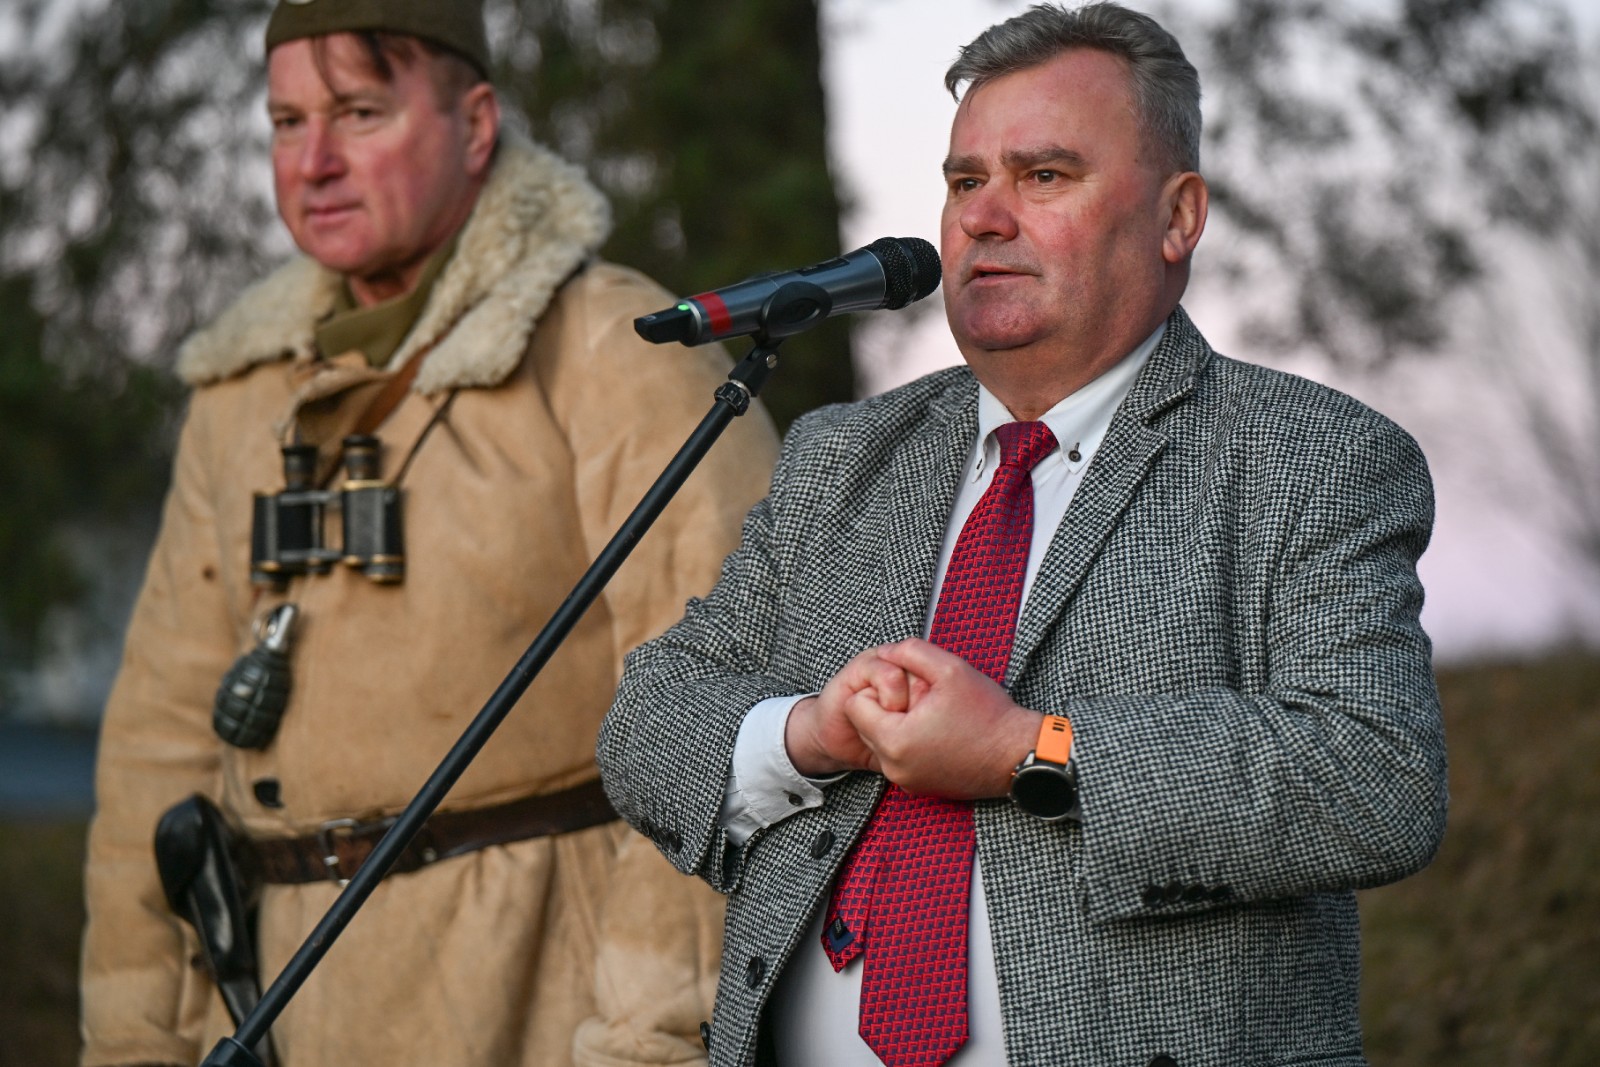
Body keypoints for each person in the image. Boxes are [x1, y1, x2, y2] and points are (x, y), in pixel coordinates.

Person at [598, 4, 1448, 1066]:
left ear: (1178, 215)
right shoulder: (842, 455)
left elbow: (1374, 778)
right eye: (965, 182)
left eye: (1044, 175)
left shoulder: (1310, 455)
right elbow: (649, 720)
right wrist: (811, 731)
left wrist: (1026, 751)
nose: (985, 219)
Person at [80, 2, 778, 1066]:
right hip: (274, 1005)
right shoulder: (238, 395)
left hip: (537, 1001)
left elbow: (723, 725)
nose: (313, 161)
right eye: (286, 122)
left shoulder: (618, 351)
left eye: (360, 113)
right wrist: (139, 1042)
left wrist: (652, 1042)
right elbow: (159, 746)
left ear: (475, 125)